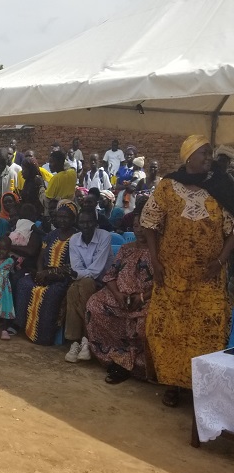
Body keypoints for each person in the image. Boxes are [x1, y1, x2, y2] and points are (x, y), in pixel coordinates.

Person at [141, 135, 234, 407]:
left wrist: (220, 261)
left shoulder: (222, 185)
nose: (209, 158)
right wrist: (155, 262)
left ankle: (200, 388)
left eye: (210, 153)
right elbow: (149, 223)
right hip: (172, 276)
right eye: (204, 153)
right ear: (189, 156)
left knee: (209, 328)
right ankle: (173, 384)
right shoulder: (168, 186)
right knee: (167, 328)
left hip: (208, 277)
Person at [86, 209, 154, 384]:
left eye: (144, 226)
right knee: (95, 305)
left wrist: (141, 297)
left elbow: (163, 283)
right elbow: (110, 275)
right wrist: (117, 295)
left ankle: (138, 365)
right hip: (120, 296)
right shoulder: (125, 249)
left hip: (146, 298)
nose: (139, 230)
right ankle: (116, 358)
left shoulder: (159, 252)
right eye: (136, 226)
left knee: (145, 322)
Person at [15, 200, 78, 345]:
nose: (62, 220)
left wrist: (50, 274)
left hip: (63, 276)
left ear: (73, 219)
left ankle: (44, 336)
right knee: (24, 284)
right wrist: (40, 272)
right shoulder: (51, 235)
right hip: (44, 273)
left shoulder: (76, 237)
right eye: (60, 216)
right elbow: (41, 257)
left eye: (66, 217)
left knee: (51, 293)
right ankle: (21, 326)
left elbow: (73, 265)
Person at [64, 208, 113, 363]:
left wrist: (77, 274)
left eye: (89, 222)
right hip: (83, 281)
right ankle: (79, 342)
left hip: (105, 283)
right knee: (73, 290)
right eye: (82, 222)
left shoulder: (104, 236)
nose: (86, 225)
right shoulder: (74, 239)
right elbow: (76, 266)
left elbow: (96, 270)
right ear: (78, 224)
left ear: (96, 223)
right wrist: (77, 274)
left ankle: (83, 339)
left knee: (82, 285)